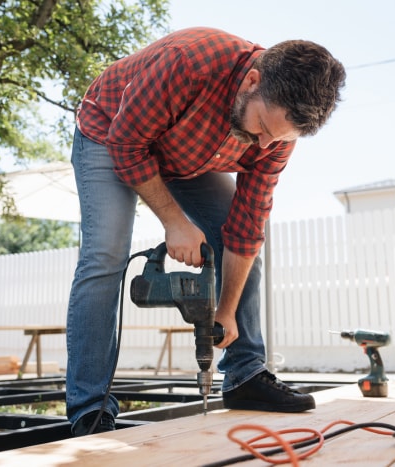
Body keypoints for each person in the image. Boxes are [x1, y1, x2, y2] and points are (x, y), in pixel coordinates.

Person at [66, 27, 345, 436]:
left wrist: (226, 310)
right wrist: (175, 222)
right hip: (110, 132)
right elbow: (126, 144)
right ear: (252, 81)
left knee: (247, 248)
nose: (264, 145)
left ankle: (246, 376)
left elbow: (246, 228)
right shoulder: (189, 62)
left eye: (278, 139)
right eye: (263, 127)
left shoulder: (276, 135)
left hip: (187, 156)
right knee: (105, 255)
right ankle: (90, 409)